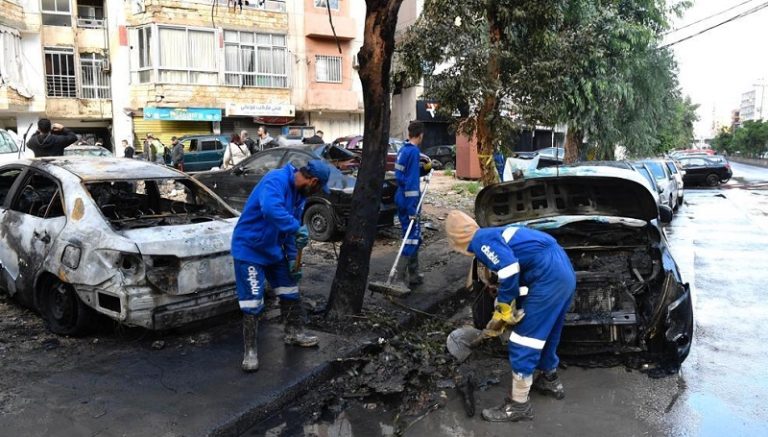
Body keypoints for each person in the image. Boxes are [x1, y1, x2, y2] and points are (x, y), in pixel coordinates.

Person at [445, 210, 576, 423]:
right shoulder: (497, 233)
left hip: (548, 278)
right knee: (546, 334)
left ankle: (518, 406)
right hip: (562, 273)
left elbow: (509, 268)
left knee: (523, 341)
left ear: (458, 238)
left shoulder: (481, 240)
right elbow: (521, 266)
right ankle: (550, 380)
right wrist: (507, 298)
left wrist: (504, 307)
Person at [232, 159, 332, 372]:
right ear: (313, 181)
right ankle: (250, 351)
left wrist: (294, 260)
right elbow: (270, 209)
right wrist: (297, 228)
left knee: (289, 289)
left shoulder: (299, 196)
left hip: (273, 250)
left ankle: (293, 332)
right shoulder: (275, 179)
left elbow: (290, 233)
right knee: (252, 301)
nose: (317, 191)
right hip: (250, 249)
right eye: (318, 187)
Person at [394, 121, 430, 290]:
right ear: (420, 135)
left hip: (401, 197)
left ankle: (414, 274)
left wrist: (426, 169)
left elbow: (406, 173)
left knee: (414, 236)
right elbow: (411, 183)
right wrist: (412, 210)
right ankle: (400, 278)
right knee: (411, 238)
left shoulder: (403, 149)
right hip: (409, 201)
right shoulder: (414, 152)